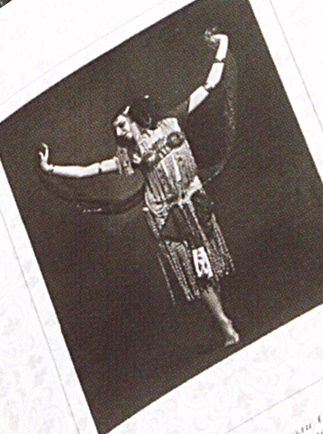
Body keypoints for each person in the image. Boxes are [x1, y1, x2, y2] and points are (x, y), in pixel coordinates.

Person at [39, 29, 239, 347]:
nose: (118, 130)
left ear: (135, 116)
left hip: (194, 198)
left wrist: (223, 44)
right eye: (116, 128)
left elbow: (209, 84)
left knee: (210, 260)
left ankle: (223, 317)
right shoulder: (130, 155)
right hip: (168, 214)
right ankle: (224, 324)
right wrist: (51, 169)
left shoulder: (172, 120)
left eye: (121, 123)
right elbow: (89, 170)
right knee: (198, 270)